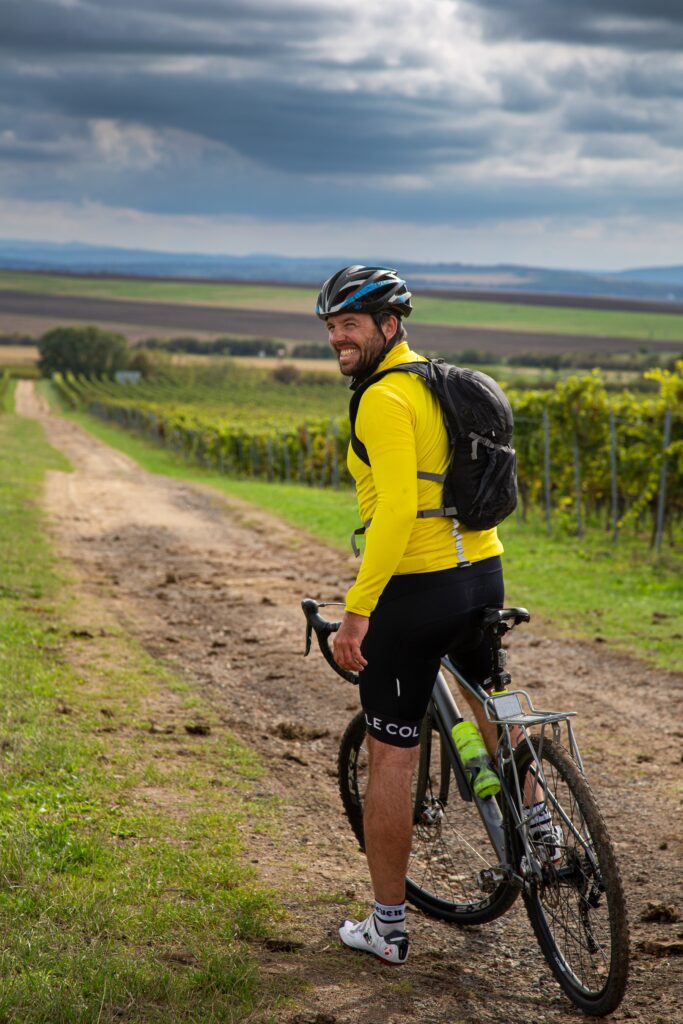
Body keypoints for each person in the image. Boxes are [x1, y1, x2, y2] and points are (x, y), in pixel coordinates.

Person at [316, 265, 506, 965]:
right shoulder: (449, 385)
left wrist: (356, 613)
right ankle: (540, 827)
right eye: (331, 326)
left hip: (417, 588)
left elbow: (395, 510)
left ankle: (388, 929)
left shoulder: (382, 399)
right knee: (487, 698)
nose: (337, 337)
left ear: (389, 327)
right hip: (481, 570)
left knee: (392, 753)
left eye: (350, 325)